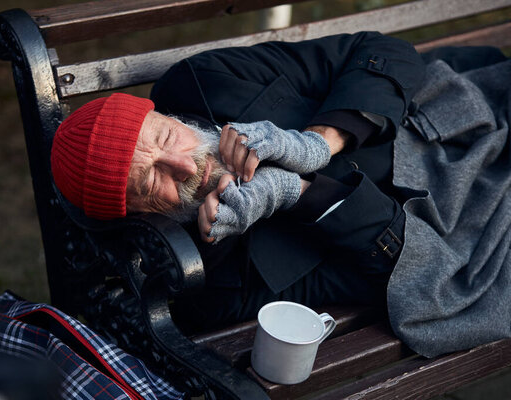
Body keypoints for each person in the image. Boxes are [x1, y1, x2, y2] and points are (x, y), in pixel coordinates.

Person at [50, 31, 511, 357]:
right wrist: (300, 192)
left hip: (470, 119)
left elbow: (382, 51)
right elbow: (398, 278)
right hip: (474, 231)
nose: (187, 166)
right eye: (154, 182)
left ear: (165, 116)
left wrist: (319, 141)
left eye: (168, 139)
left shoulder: (203, 82)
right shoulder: (217, 281)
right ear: (140, 213)